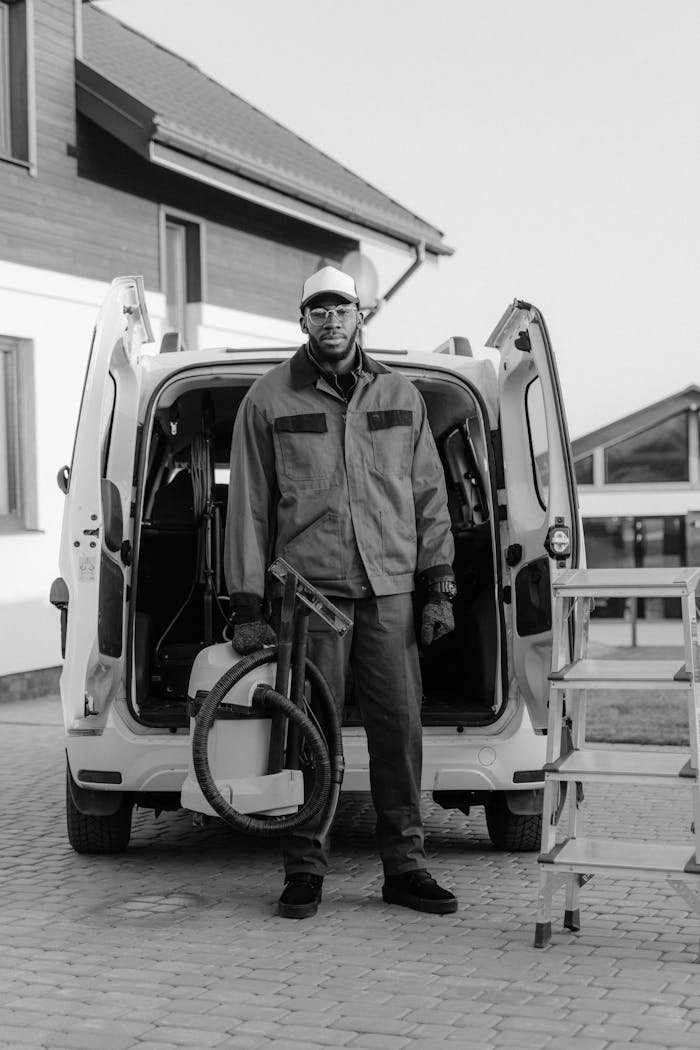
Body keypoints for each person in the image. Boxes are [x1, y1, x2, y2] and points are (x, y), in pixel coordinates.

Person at [225, 265, 458, 919]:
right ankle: (304, 869)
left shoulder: (401, 395)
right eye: (319, 311)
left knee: (398, 731)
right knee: (310, 733)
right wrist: (247, 605)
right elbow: (248, 508)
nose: (331, 321)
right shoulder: (268, 399)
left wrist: (438, 585)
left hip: (390, 594)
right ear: (302, 320)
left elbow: (429, 496)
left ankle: (405, 868)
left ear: (361, 316)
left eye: (341, 310)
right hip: (309, 600)